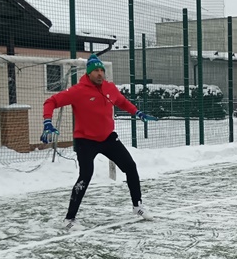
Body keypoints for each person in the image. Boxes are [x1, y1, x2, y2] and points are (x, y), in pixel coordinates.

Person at [40, 54, 157, 225]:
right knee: (85, 176)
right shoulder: (78, 90)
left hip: (108, 138)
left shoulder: (110, 88)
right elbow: (50, 101)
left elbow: (122, 102)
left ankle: (137, 205)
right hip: (85, 140)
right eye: (96, 70)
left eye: (102, 70)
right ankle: (69, 218)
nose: (100, 73)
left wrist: (137, 112)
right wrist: (47, 121)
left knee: (130, 166)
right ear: (89, 73)